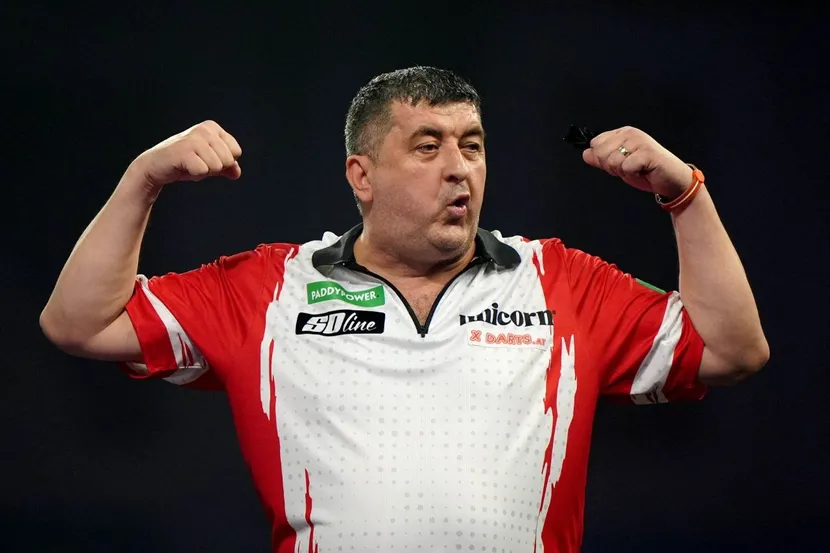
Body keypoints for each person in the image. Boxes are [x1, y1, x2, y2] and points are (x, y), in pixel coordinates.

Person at [40, 66, 769, 552]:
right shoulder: (267, 289)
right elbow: (79, 322)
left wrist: (685, 194)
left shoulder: (560, 281)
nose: (459, 168)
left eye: (473, 146)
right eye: (428, 146)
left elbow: (733, 349)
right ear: (361, 175)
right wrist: (142, 179)